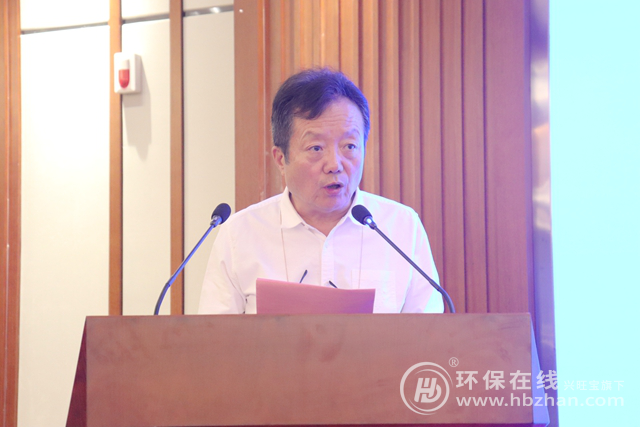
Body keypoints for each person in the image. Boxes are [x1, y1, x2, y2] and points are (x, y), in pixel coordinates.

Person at [198, 68, 444, 314]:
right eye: (316, 148)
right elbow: (213, 335)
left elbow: (429, 331)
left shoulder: (401, 227)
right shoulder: (239, 234)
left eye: (349, 146)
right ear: (281, 159)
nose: (335, 165)